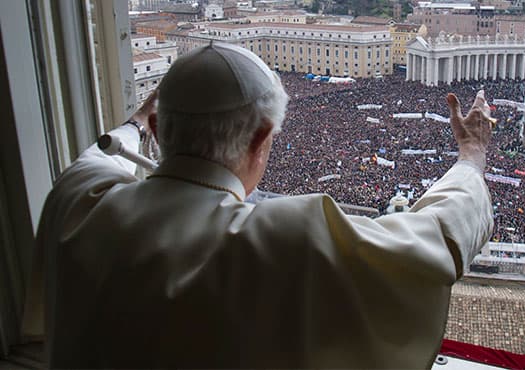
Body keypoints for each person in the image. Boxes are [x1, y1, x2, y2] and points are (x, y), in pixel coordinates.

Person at [22, 43, 493, 368]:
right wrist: (471, 156)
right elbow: (439, 239)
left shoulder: (77, 204)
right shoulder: (288, 239)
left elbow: (94, 159)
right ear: (262, 139)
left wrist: (136, 124)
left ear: (161, 132)